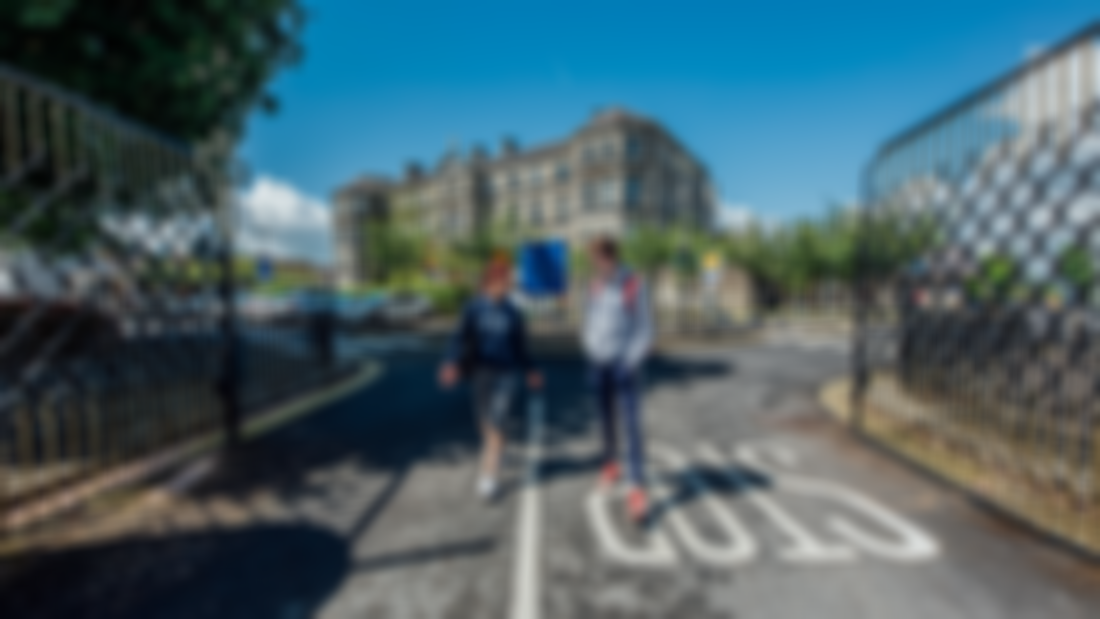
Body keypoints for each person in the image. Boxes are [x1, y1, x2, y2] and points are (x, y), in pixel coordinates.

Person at [440, 260, 542, 501]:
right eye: (501, 282)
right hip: (480, 372)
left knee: (496, 423)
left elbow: (520, 346)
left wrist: (530, 370)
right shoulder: (473, 308)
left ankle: (489, 476)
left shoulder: (513, 311)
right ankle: (499, 449)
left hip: (506, 374)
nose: (505, 287)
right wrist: (450, 362)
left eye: (507, 283)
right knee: (483, 423)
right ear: (489, 282)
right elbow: (458, 338)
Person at [582, 236, 654, 524]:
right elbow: (588, 321)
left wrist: (631, 360)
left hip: (625, 365)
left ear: (611, 257)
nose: (597, 265)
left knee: (632, 424)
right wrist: (590, 348)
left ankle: (636, 486)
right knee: (605, 419)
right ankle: (610, 465)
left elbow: (646, 329)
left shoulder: (633, 284)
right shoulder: (593, 285)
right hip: (599, 364)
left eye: (600, 259)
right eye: (594, 260)